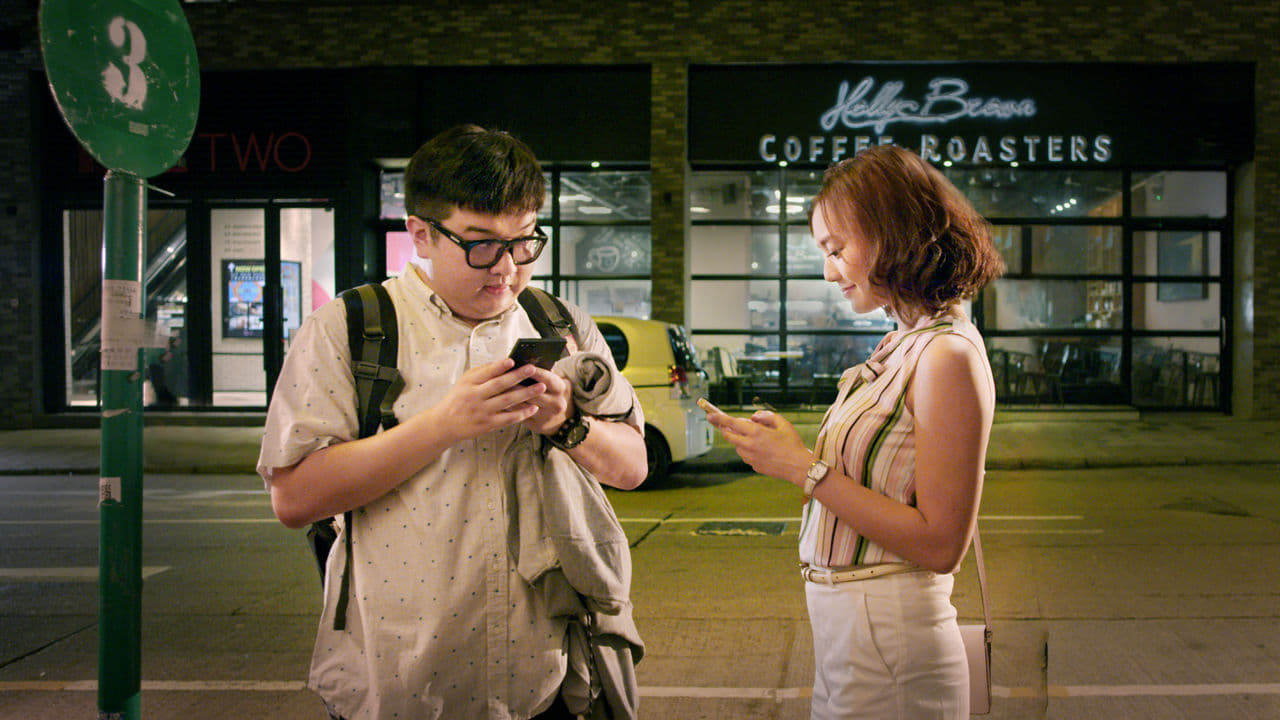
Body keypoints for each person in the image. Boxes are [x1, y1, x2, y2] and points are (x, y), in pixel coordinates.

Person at [258, 124, 648, 720]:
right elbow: (293, 498)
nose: (508, 270)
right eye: (482, 245)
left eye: (524, 242)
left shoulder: (559, 323)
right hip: (399, 683)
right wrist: (443, 425)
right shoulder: (351, 328)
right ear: (420, 234)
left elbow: (633, 466)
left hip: (545, 681)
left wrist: (568, 423)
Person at [705, 145, 1004, 719]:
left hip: (888, 637)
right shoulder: (904, 342)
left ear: (891, 235)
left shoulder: (946, 354)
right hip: (857, 633)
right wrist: (788, 448)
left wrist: (801, 467)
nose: (829, 270)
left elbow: (942, 544)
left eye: (837, 249)